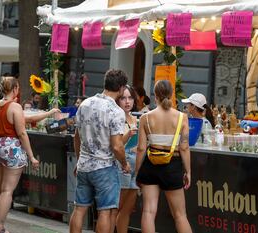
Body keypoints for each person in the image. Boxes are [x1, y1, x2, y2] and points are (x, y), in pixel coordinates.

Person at [70, 69, 130, 233]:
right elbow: (117, 146)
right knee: (104, 212)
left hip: (84, 165)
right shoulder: (116, 111)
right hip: (104, 167)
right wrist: (124, 163)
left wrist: (79, 159)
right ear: (121, 88)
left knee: (79, 209)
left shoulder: (85, 104)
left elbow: (77, 137)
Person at [135, 80, 192, 233]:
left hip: (150, 165)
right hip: (172, 166)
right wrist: (188, 172)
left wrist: (137, 171)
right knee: (180, 215)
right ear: (172, 94)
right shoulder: (182, 117)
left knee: (148, 212)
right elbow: (184, 147)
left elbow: (141, 148)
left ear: (155, 96)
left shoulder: (145, 118)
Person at [0, 76, 39, 233]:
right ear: (15, 89)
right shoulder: (15, 107)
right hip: (11, 147)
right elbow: (21, 133)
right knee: (7, 190)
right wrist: (31, 156)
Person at [115, 85, 139, 233]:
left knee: (127, 210)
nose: (127, 101)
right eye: (123, 98)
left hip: (136, 163)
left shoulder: (135, 118)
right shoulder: (116, 118)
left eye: (130, 97)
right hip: (121, 162)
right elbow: (116, 146)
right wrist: (128, 135)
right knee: (115, 208)